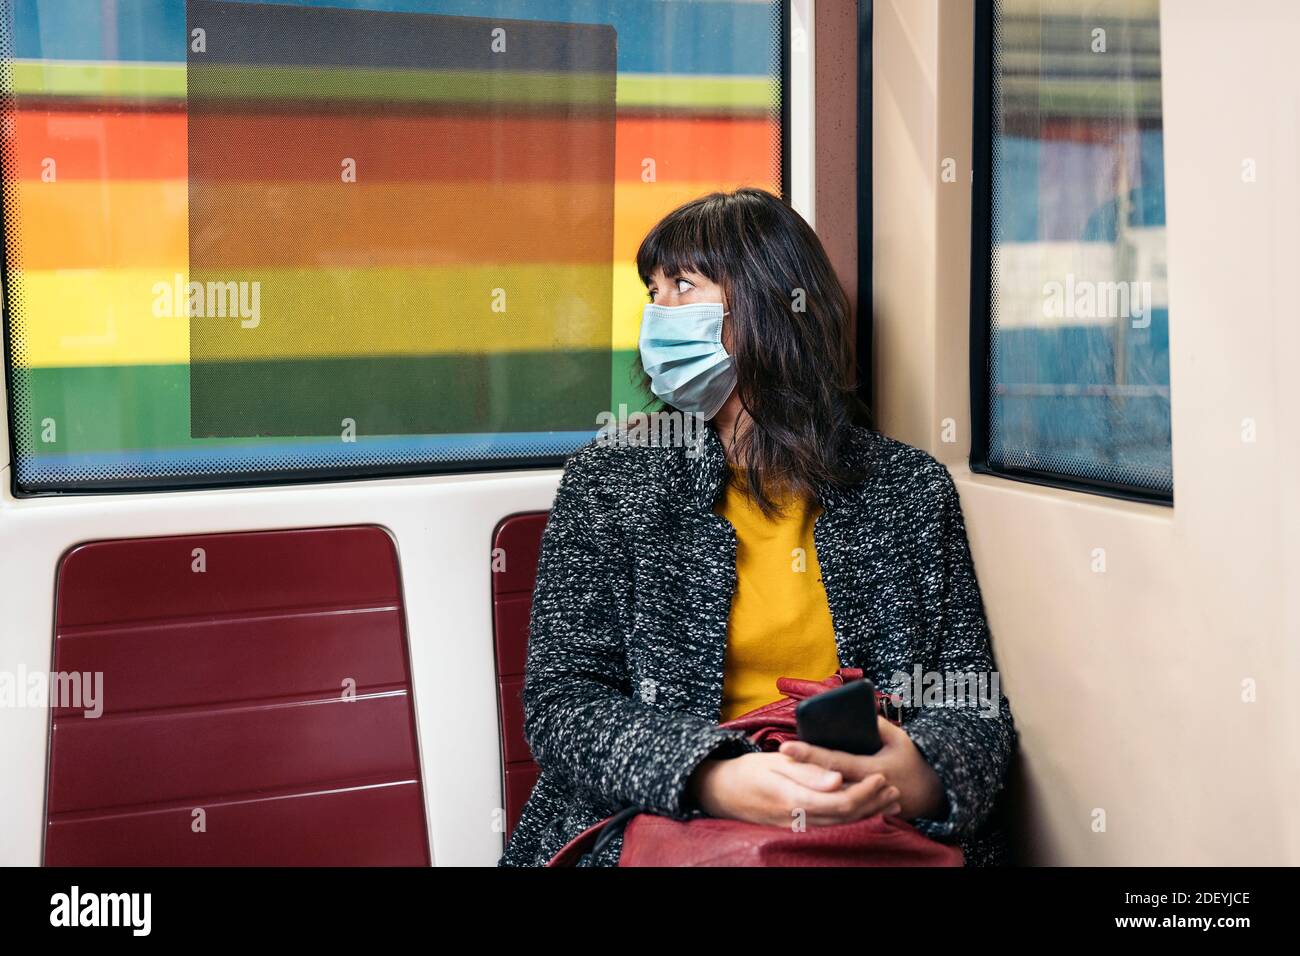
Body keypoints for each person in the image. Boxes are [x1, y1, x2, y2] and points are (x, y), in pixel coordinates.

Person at [498, 188, 1017, 866]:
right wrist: (714, 777)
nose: (656, 314)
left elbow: (968, 702)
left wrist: (913, 779)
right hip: (661, 817)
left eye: (682, 286)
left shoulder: (908, 490)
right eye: (652, 292)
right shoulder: (610, 482)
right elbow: (564, 704)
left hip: (868, 824)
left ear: (773, 302)